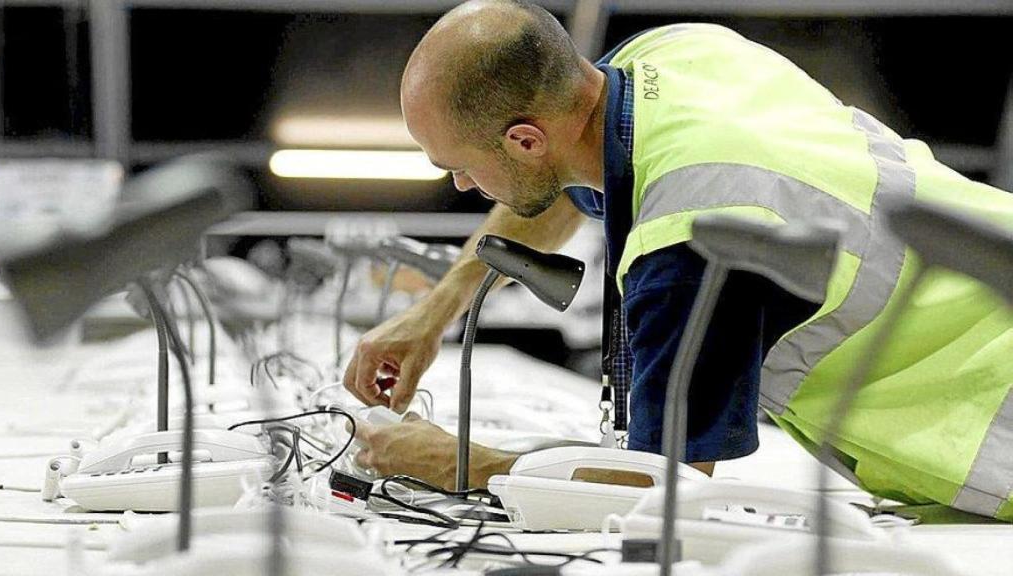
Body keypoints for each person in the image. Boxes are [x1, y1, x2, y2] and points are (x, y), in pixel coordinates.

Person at [343, 0, 1013, 520]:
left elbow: (660, 488)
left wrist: (458, 461)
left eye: (459, 167)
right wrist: (433, 314)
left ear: (523, 139)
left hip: (990, 396)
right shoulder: (666, 55)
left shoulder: (694, 244)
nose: (461, 186)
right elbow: (567, 176)